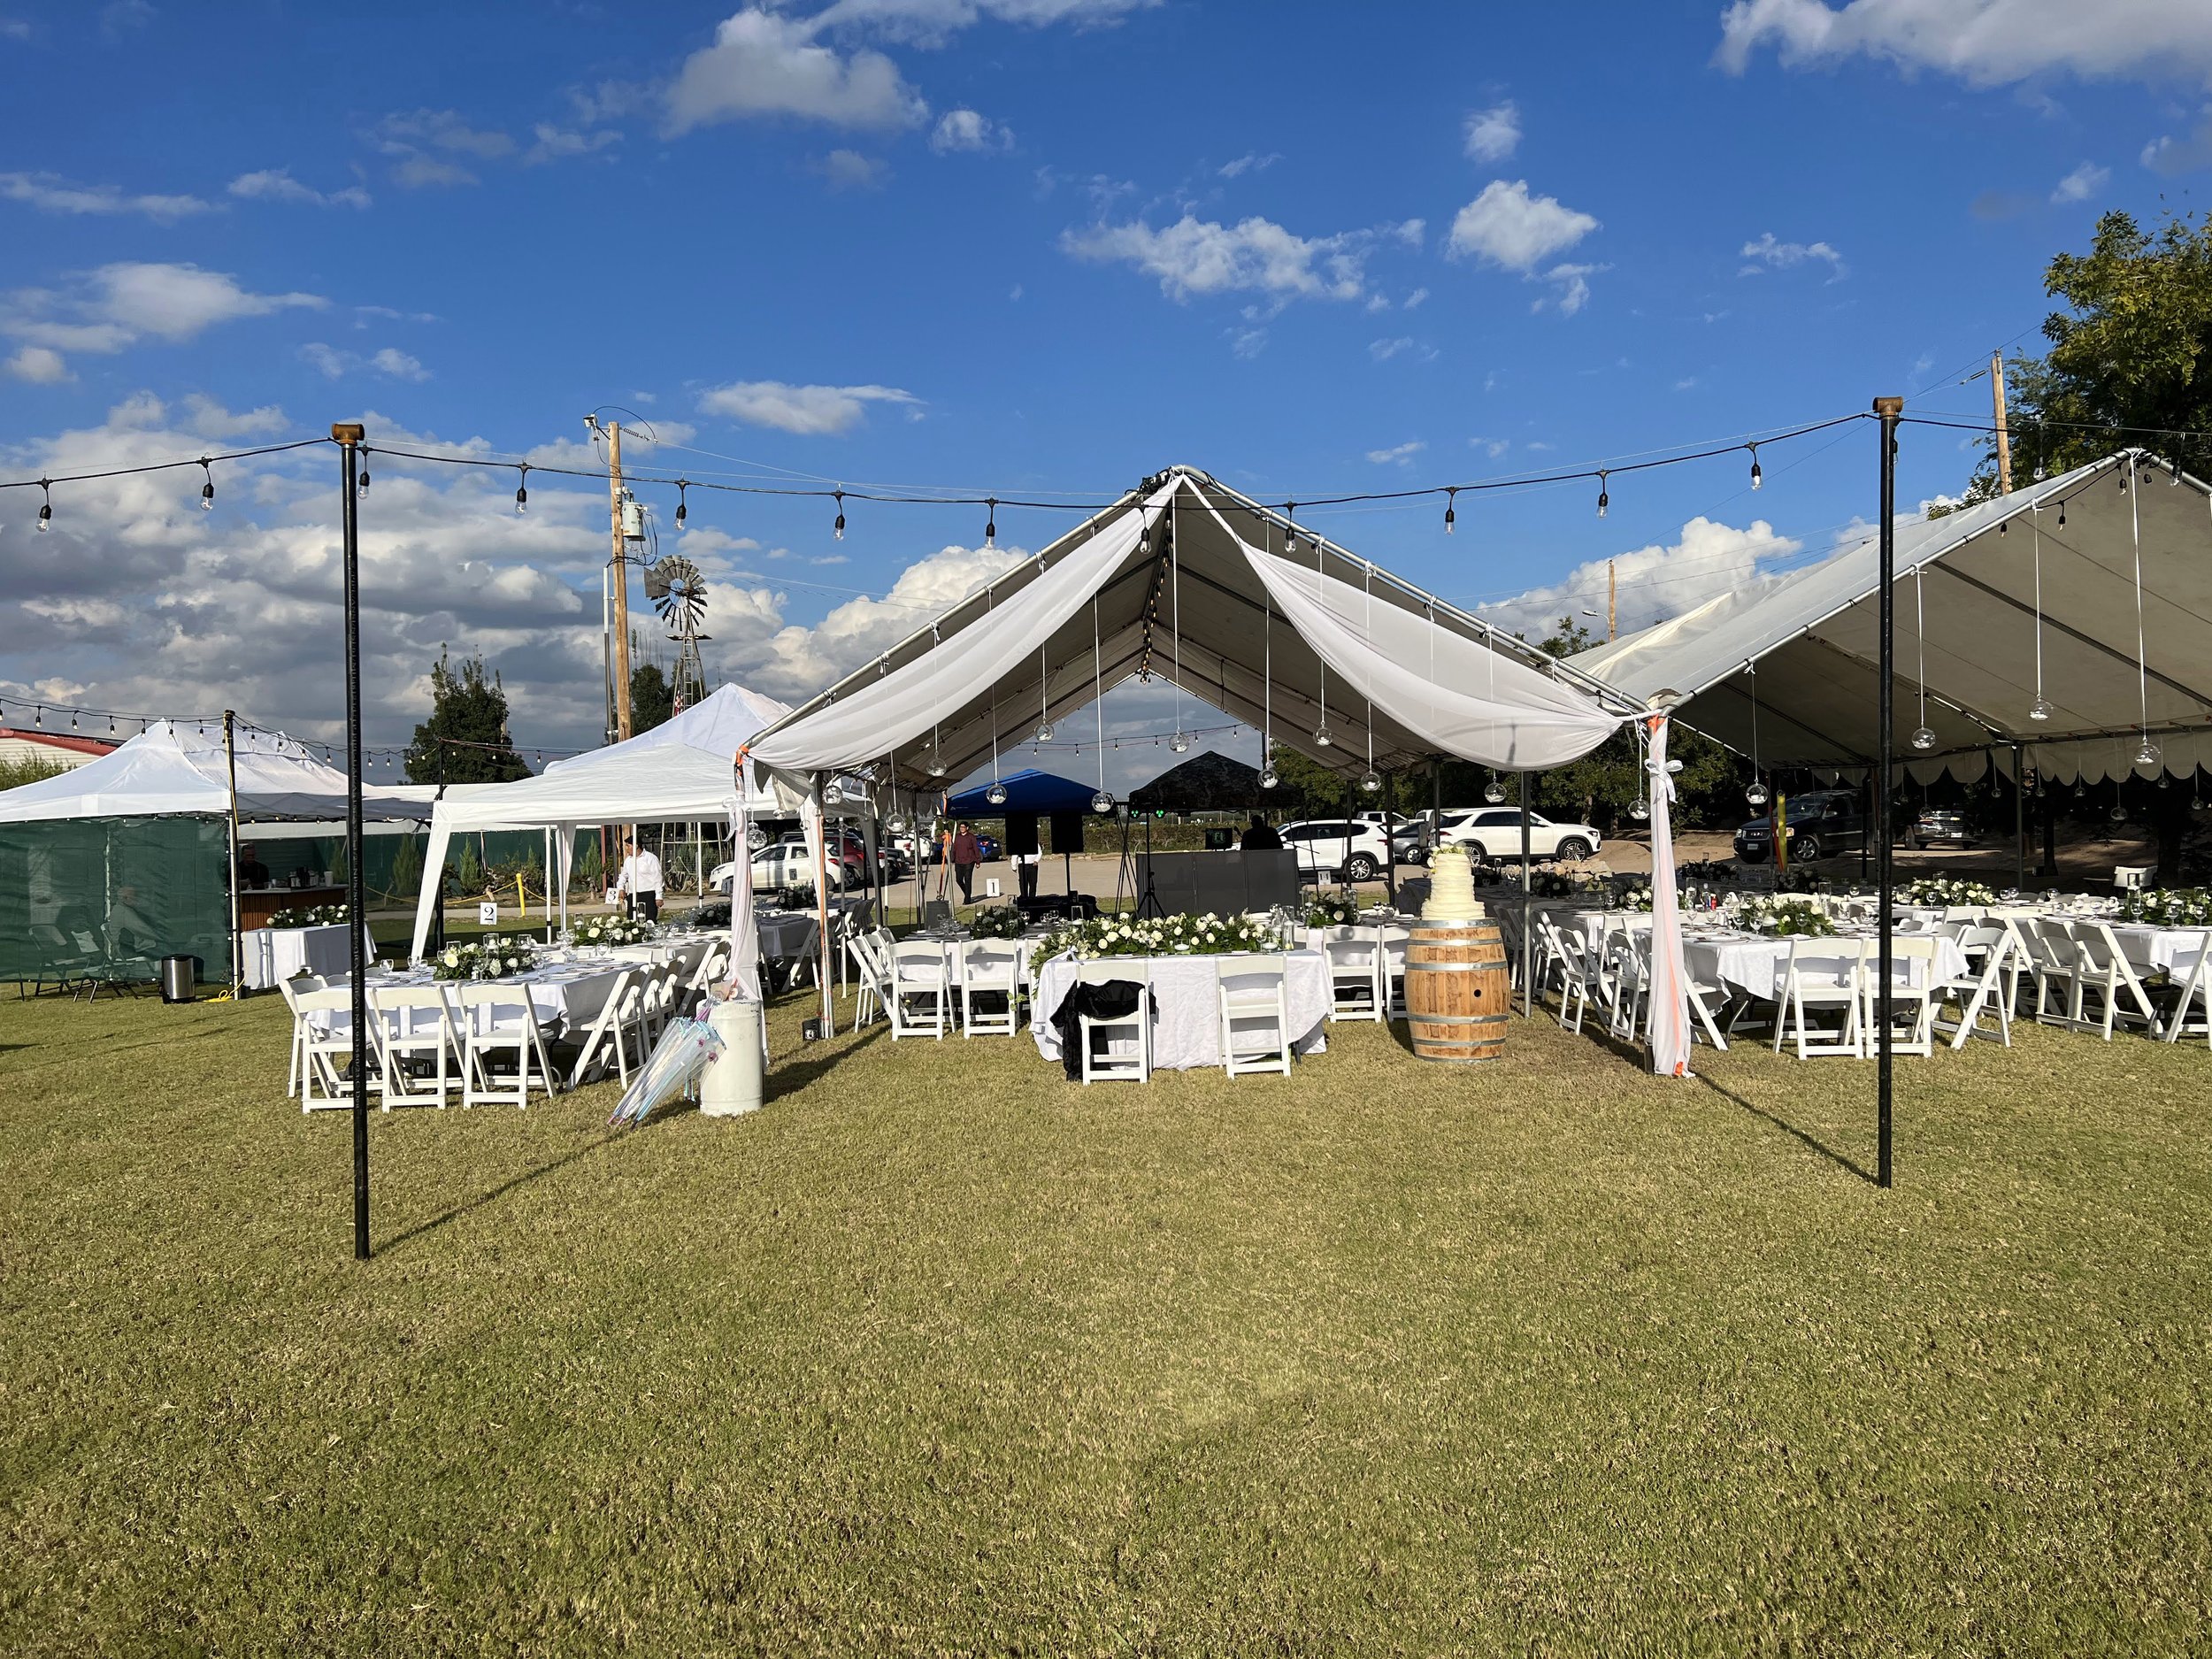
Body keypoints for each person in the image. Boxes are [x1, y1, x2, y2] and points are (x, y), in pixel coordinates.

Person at [613, 834, 664, 923]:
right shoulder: (628, 860)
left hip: (648, 894)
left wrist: (659, 896)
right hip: (633, 895)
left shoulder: (650, 858)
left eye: (628, 846)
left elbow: (658, 878)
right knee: (632, 921)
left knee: (649, 921)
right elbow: (623, 876)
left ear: (636, 846)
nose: (626, 848)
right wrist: (621, 888)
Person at [950, 821, 980, 905]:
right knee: (959, 880)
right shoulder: (957, 837)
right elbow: (954, 849)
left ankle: (967, 900)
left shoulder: (971, 837)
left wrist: (978, 861)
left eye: (963, 827)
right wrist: (951, 859)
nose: (961, 829)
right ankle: (967, 893)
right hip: (959, 861)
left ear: (967, 828)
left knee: (968, 879)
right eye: (960, 827)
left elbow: (975, 849)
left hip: (969, 861)